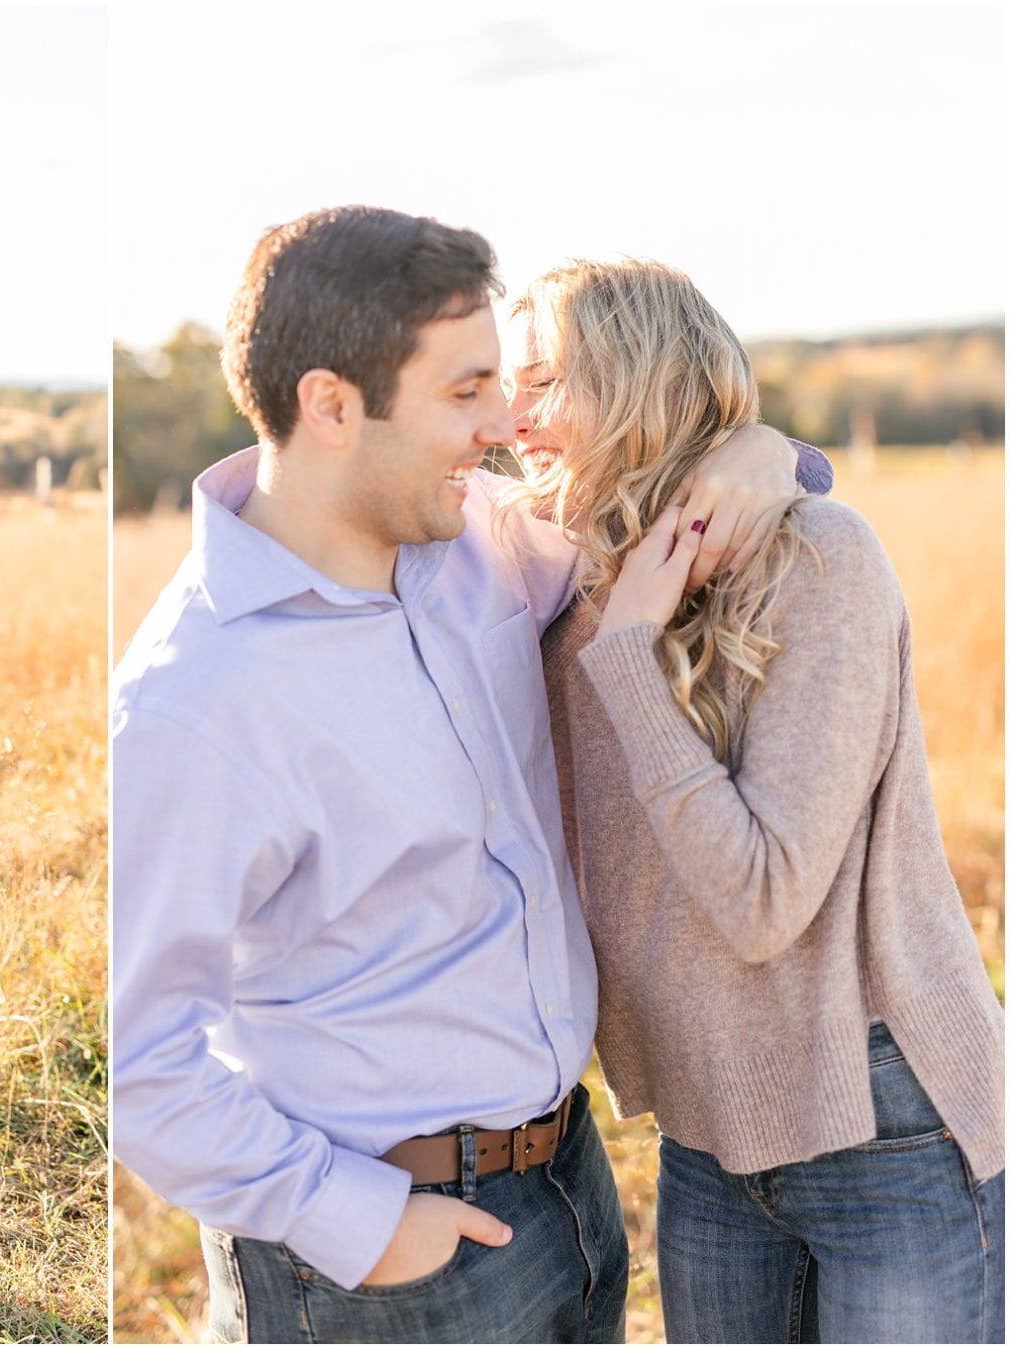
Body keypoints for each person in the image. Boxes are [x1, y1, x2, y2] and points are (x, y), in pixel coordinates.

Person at [111, 207, 820, 1343]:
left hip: (566, 1185)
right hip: (380, 1263)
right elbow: (144, 1067)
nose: (504, 427)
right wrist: (362, 1219)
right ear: (332, 406)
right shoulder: (197, 699)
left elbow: (678, 482)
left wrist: (757, 446)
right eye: (466, 392)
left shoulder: (484, 541)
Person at [508, 258, 1004, 1343]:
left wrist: (632, 657)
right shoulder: (553, 571)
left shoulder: (819, 558)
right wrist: (767, 447)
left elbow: (765, 897)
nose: (514, 416)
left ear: (634, 380)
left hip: (883, 1118)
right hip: (703, 1133)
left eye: (543, 381)